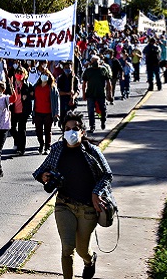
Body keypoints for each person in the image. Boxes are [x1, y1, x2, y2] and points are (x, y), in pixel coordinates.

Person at [33, 112, 112, 279]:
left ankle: (89, 261)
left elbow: (107, 175)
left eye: (75, 129)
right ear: (63, 132)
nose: (71, 132)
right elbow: (39, 171)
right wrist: (43, 176)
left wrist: (96, 193)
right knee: (67, 248)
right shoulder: (57, 150)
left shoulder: (92, 151)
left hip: (87, 209)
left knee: (82, 250)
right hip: (64, 205)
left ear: (82, 131)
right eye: (67, 129)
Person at [32, 67, 60, 155]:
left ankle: (47, 147)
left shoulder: (52, 88)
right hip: (37, 112)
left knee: (48, 131)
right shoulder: (35, 87)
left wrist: (57, 113)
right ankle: (41, 144)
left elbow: (56, 101)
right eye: (43, 75)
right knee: (38, 131)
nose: (44, 76)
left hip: (48, 113)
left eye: (46, 75)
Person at [81, 56, 111, 133]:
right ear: (91, 62)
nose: (95, 62)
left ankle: (102, 120)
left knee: (102, 110)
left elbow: (108, 82)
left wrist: (109, 94)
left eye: (96, 61)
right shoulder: (88, 71)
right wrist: (83, 94)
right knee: (90, 111)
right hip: (90, 94)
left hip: (100, 94)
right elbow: (84, 83)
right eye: (93, 61)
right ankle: (92, 126)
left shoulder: (103, 70)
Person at [10, 66, 34, 156]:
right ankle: (17, 141)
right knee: (12, 128)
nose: (19, 75)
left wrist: (27, 96)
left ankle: (21, 149)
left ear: (25, 75)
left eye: (21, 73)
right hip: (13, 110)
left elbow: (33, 96)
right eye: (17, 72)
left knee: (22, 129)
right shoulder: (11, 84)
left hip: (23, 111)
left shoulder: (28, 85)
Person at [56, 61, 79, 129]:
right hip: (63, 101)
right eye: (66, 68)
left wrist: (73, 98)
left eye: (69, 67)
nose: (67, 69)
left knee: (70, 116)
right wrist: (67, 93)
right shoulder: (60, 78)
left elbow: (77, 91)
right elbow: (58, 91)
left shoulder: (75, 79)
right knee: (63, 116)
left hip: (72, 101)